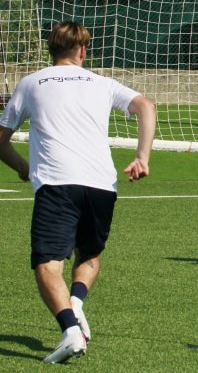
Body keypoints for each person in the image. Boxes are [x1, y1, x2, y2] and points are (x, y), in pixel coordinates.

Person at [0, 21, 156, 363]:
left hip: (57, 184)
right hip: (102, 185)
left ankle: (70, 331)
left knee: (47, 264)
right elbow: (147, 106)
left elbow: (0, 140)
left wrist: (22, 167)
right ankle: (76, 305)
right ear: (83, 50)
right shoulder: (102, 83)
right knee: (88, 255)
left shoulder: (31, 82)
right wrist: (141, 157)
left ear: (50, 50)